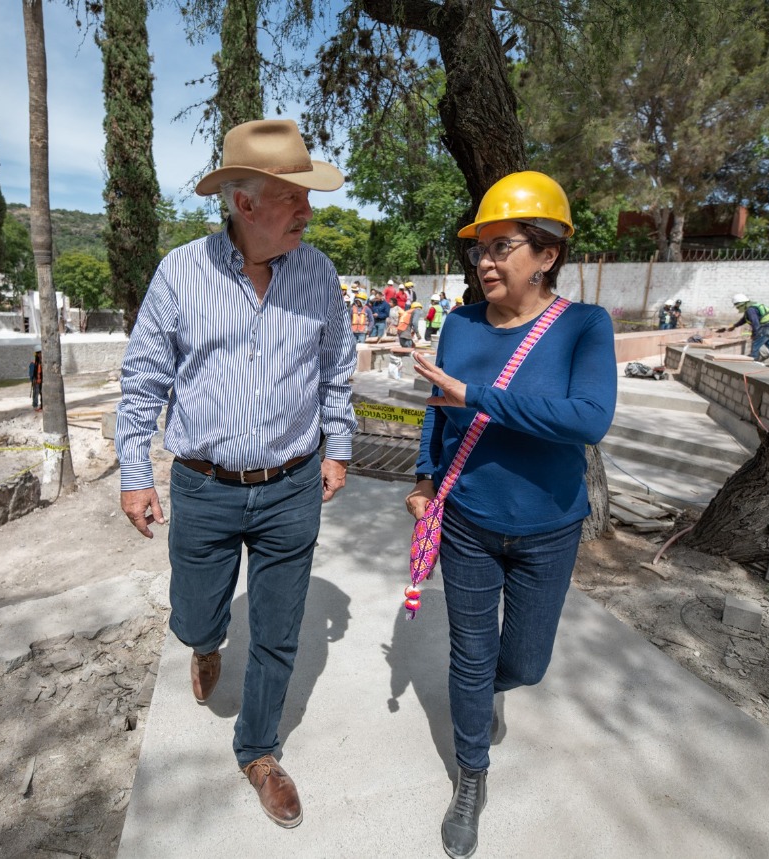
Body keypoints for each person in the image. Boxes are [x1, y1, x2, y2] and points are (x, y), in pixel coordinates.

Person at [116, 118, 357, 829]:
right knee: (194, 614)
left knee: (279, 631)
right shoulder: (180, 273)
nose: (308, 210)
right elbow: (143, 380)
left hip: (292, 485)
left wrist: (337, 447)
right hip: (204, 487)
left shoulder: (319, 275)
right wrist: (135, 471)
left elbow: (336, 370)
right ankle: (205, 641)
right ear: (245, 204)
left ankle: (258, 751)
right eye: (293, 197)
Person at [406, 170, 616, 859]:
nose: (486, 262)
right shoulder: (461, 325)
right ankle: (471, 775)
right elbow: (437, 413)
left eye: (502, 247)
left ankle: (489, 690)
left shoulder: (585, 326)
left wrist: (476, 394)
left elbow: (587, 419)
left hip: (549, 528)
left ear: (547, 254)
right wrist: (425, 478)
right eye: (480, 249)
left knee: (525, 662)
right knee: (469, 657)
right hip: (467, 521)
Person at [717, 292, 769, 366]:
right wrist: (734, 326)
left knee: (756, 344)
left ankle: (752, 362)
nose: (737, 308)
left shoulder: (750, 310)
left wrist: (754, 334)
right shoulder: (751, 307)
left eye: (737, 306)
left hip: (765, 328)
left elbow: (755, 323)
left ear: (741, 304)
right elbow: (744, 320)